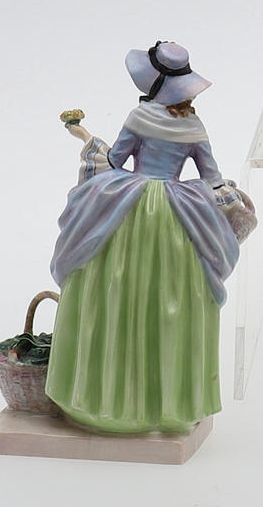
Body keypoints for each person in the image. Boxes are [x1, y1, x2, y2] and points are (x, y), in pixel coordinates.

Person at [46, 43, 242, 434]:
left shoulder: (139, 116)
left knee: (114, 292)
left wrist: (86, 139)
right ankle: (166, 402)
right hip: (177, 214)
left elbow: (115, 160)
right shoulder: (195, 127)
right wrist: (226, 204)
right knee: (169, 298)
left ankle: (107, 398)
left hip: (128, 205)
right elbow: (212, 177)